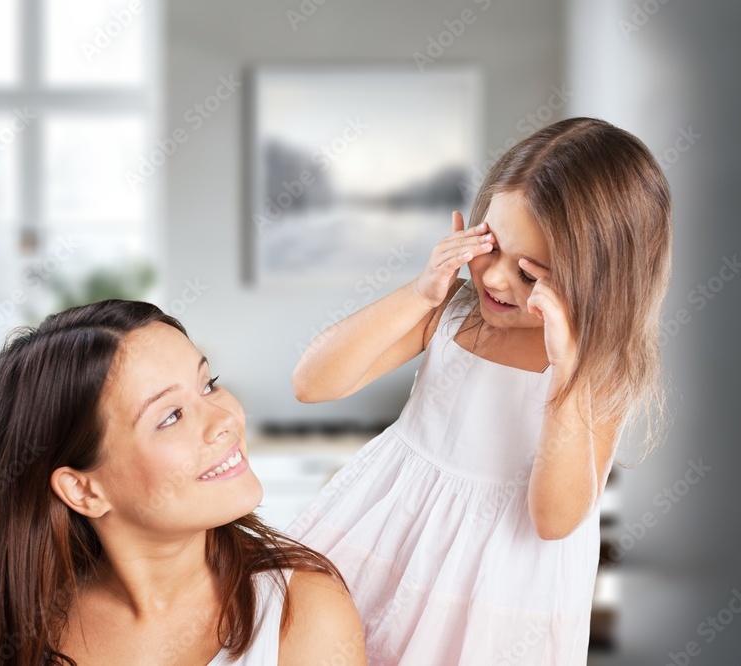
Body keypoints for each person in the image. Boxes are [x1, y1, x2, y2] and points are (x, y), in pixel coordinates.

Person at [286, 117, 672, 664]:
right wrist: (420, 294)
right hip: (392, 527)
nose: (493, 279)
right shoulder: (453, 312)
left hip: (494, 578)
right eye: (490, 245)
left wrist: (566, 370)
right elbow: (313, 383)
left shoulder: (593, 368)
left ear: (598, 279)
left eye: (531, 274)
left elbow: (554, 519)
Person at [0, 300, 366, 665]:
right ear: (84, 490)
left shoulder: (303, 614)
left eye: (208, 385)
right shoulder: (18, 632)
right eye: (170, 416)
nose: (225, 421)